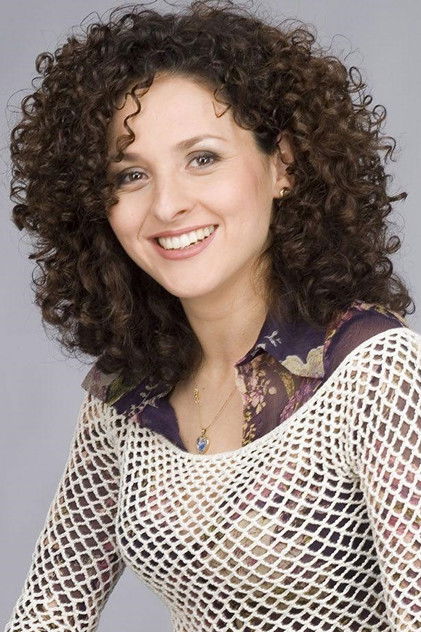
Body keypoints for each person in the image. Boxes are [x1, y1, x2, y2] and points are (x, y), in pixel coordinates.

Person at [4, 0, 420, 630]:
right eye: (131, 174)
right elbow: (51, 606)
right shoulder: (129, 393)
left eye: (202, 158)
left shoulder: (376, 372)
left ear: (282, 165)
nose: (167, 205)